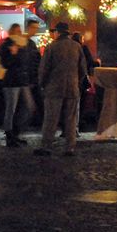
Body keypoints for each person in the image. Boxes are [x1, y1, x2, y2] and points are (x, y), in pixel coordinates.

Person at [34, 23, 84, 157]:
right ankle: (70, 147)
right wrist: (77, 82)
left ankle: (47, 146)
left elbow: (44, 69)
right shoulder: (77, 47)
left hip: (54, 87)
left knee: (51, 118)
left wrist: (42, 84)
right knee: (71, 119)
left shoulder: (52, 47)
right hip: (72, 87)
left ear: (57, 32)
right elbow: (82, 69)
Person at [0, 23, 35, 147]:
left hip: (22, 80)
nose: (19, 33)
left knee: (28, 107)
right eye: (16, 31)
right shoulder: (6, 45)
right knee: (11, 109)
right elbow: (4, 64)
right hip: (11, 81)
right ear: (12, 32)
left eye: (20, 31)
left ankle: (16, 132)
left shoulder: (22, 44)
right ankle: (10, 135)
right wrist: (13, 54)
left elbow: (26, 62)